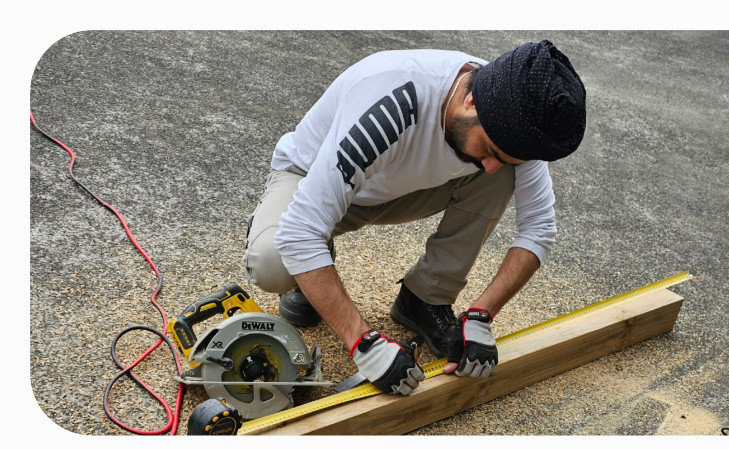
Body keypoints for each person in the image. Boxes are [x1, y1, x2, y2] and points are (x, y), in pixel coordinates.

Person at [243, 40, 586, 396]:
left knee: (501, 172)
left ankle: (425, 297)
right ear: (471, 100)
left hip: (402, 191)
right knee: (273, 262)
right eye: (488, 148)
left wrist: (482, 314)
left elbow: (539, 229)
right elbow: (299, 232)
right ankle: (309, 276)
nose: (491, 163)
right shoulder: (393, 101)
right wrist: (365, 343)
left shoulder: (514, 111)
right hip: (311, 179)